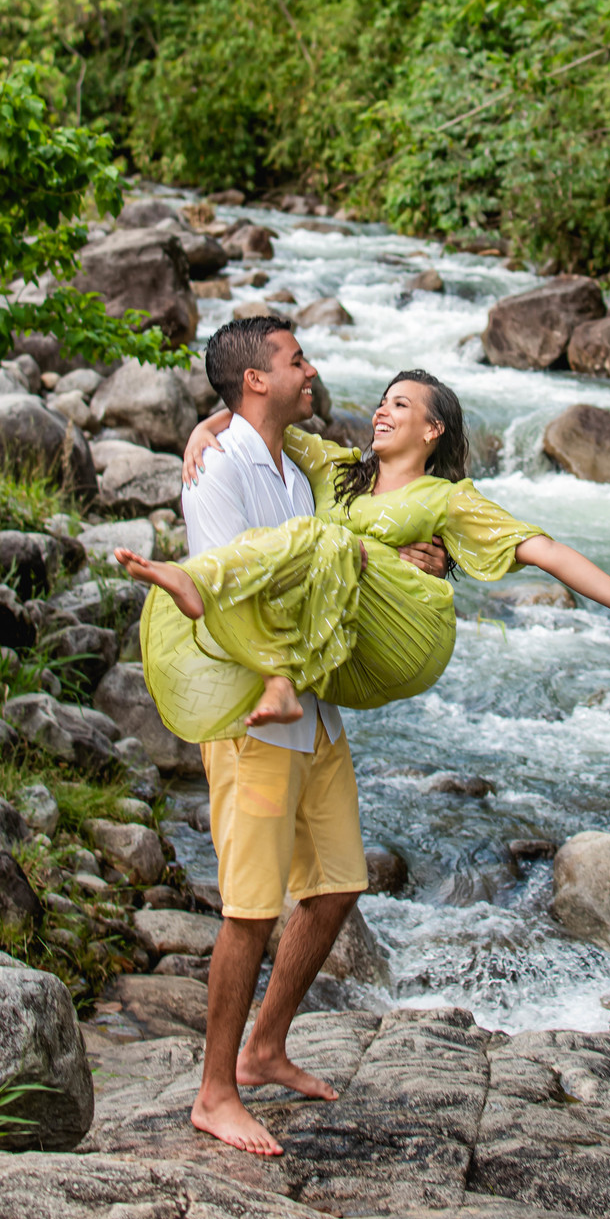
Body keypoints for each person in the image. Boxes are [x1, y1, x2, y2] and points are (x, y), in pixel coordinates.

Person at [152, 316, 449, 1162]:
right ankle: (215, 1093)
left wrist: (412, 560)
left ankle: (267, 1045)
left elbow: (349, 541)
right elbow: (225, 594)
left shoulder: (302, 464)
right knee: (249, 911)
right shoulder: (218, 471)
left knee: (339, 885)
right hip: (256, 716)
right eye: (296, 360)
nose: (310, 371)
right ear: (257, 380)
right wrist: (209, 428)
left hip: (315, 711)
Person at [119, 373, 610, 740]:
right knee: (326, 540)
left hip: (409, 633)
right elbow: (260, 418)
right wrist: (205, 426)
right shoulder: (336, 469)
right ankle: (282, 676)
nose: (381, 411)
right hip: (345, 640)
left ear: (431, 430)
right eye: (381, 401)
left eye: (399, 404)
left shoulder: (448, 499)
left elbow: (545, 550)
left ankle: (202, 581)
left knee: (330, 541)